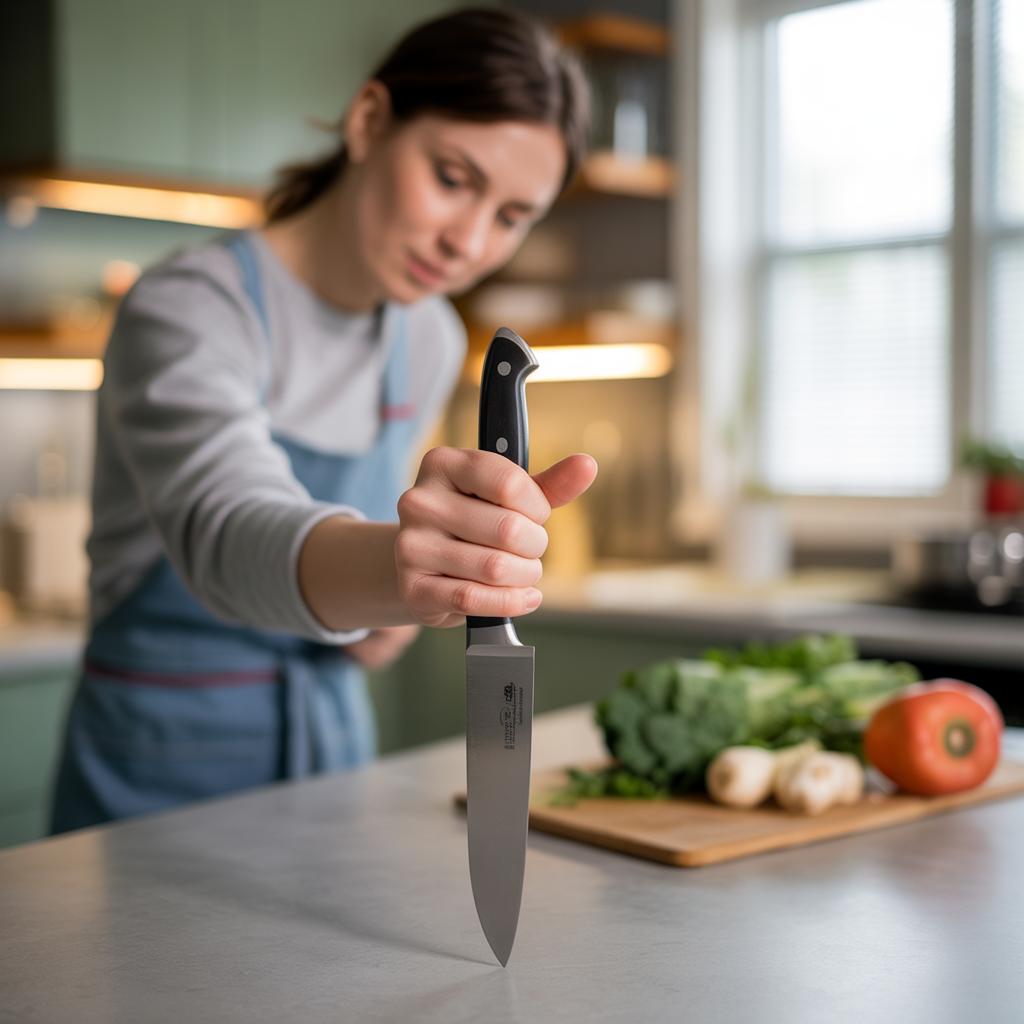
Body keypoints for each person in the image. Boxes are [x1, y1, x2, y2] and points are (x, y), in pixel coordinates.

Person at [49, 6, 598, 833]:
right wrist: (400, 576)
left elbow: (374, 552)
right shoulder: (192, 307)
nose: (469, 242)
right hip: (157, 770)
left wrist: (381, 619)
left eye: (511, 217)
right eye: (454, 178)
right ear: (369, 121)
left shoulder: (427, 335)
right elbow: (228, 530)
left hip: (333, 765)